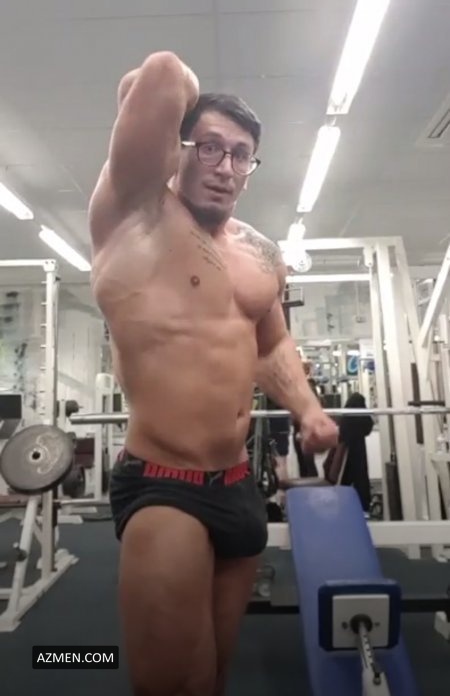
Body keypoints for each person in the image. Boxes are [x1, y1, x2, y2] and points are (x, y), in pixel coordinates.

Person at [88, 51, 338, 696]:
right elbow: (164, 74)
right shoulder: (134, 213)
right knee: (177, 685)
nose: (225, 167)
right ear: (176, 149)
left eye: (241, 155)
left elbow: (270, 344)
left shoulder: (261, 254)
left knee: (216, 675)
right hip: (164, 486)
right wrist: (171, 109)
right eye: (209, 147)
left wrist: (308, 408)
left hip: (237, 485)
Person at [324, 391, 374, 511]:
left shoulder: (344, 425)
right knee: (360, 479)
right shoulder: (359, 429)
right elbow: (368, 426)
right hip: (356, 466)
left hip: (342, 475)